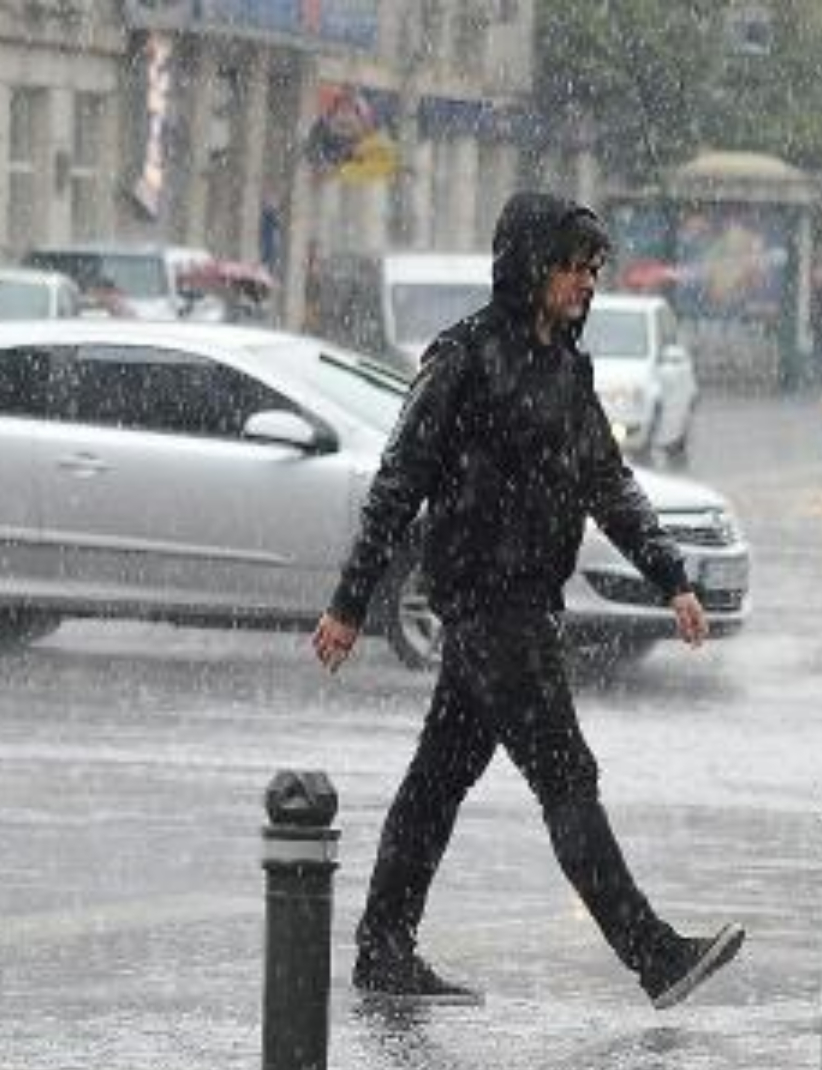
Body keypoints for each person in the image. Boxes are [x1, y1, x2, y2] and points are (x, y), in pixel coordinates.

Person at [312, 191, 745, 1010]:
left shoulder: (566, 371)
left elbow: (608, 486)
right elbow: (398, 482)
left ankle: (382, 948)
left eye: (592, 270)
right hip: (485, 606)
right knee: (565, 774)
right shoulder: (464, 357)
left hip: (525, 601)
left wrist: (671, 578)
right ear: (529, 267)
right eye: (570, 267)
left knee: (438, 778)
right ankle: (653, 956)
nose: (585, 283)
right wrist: (349, 600)